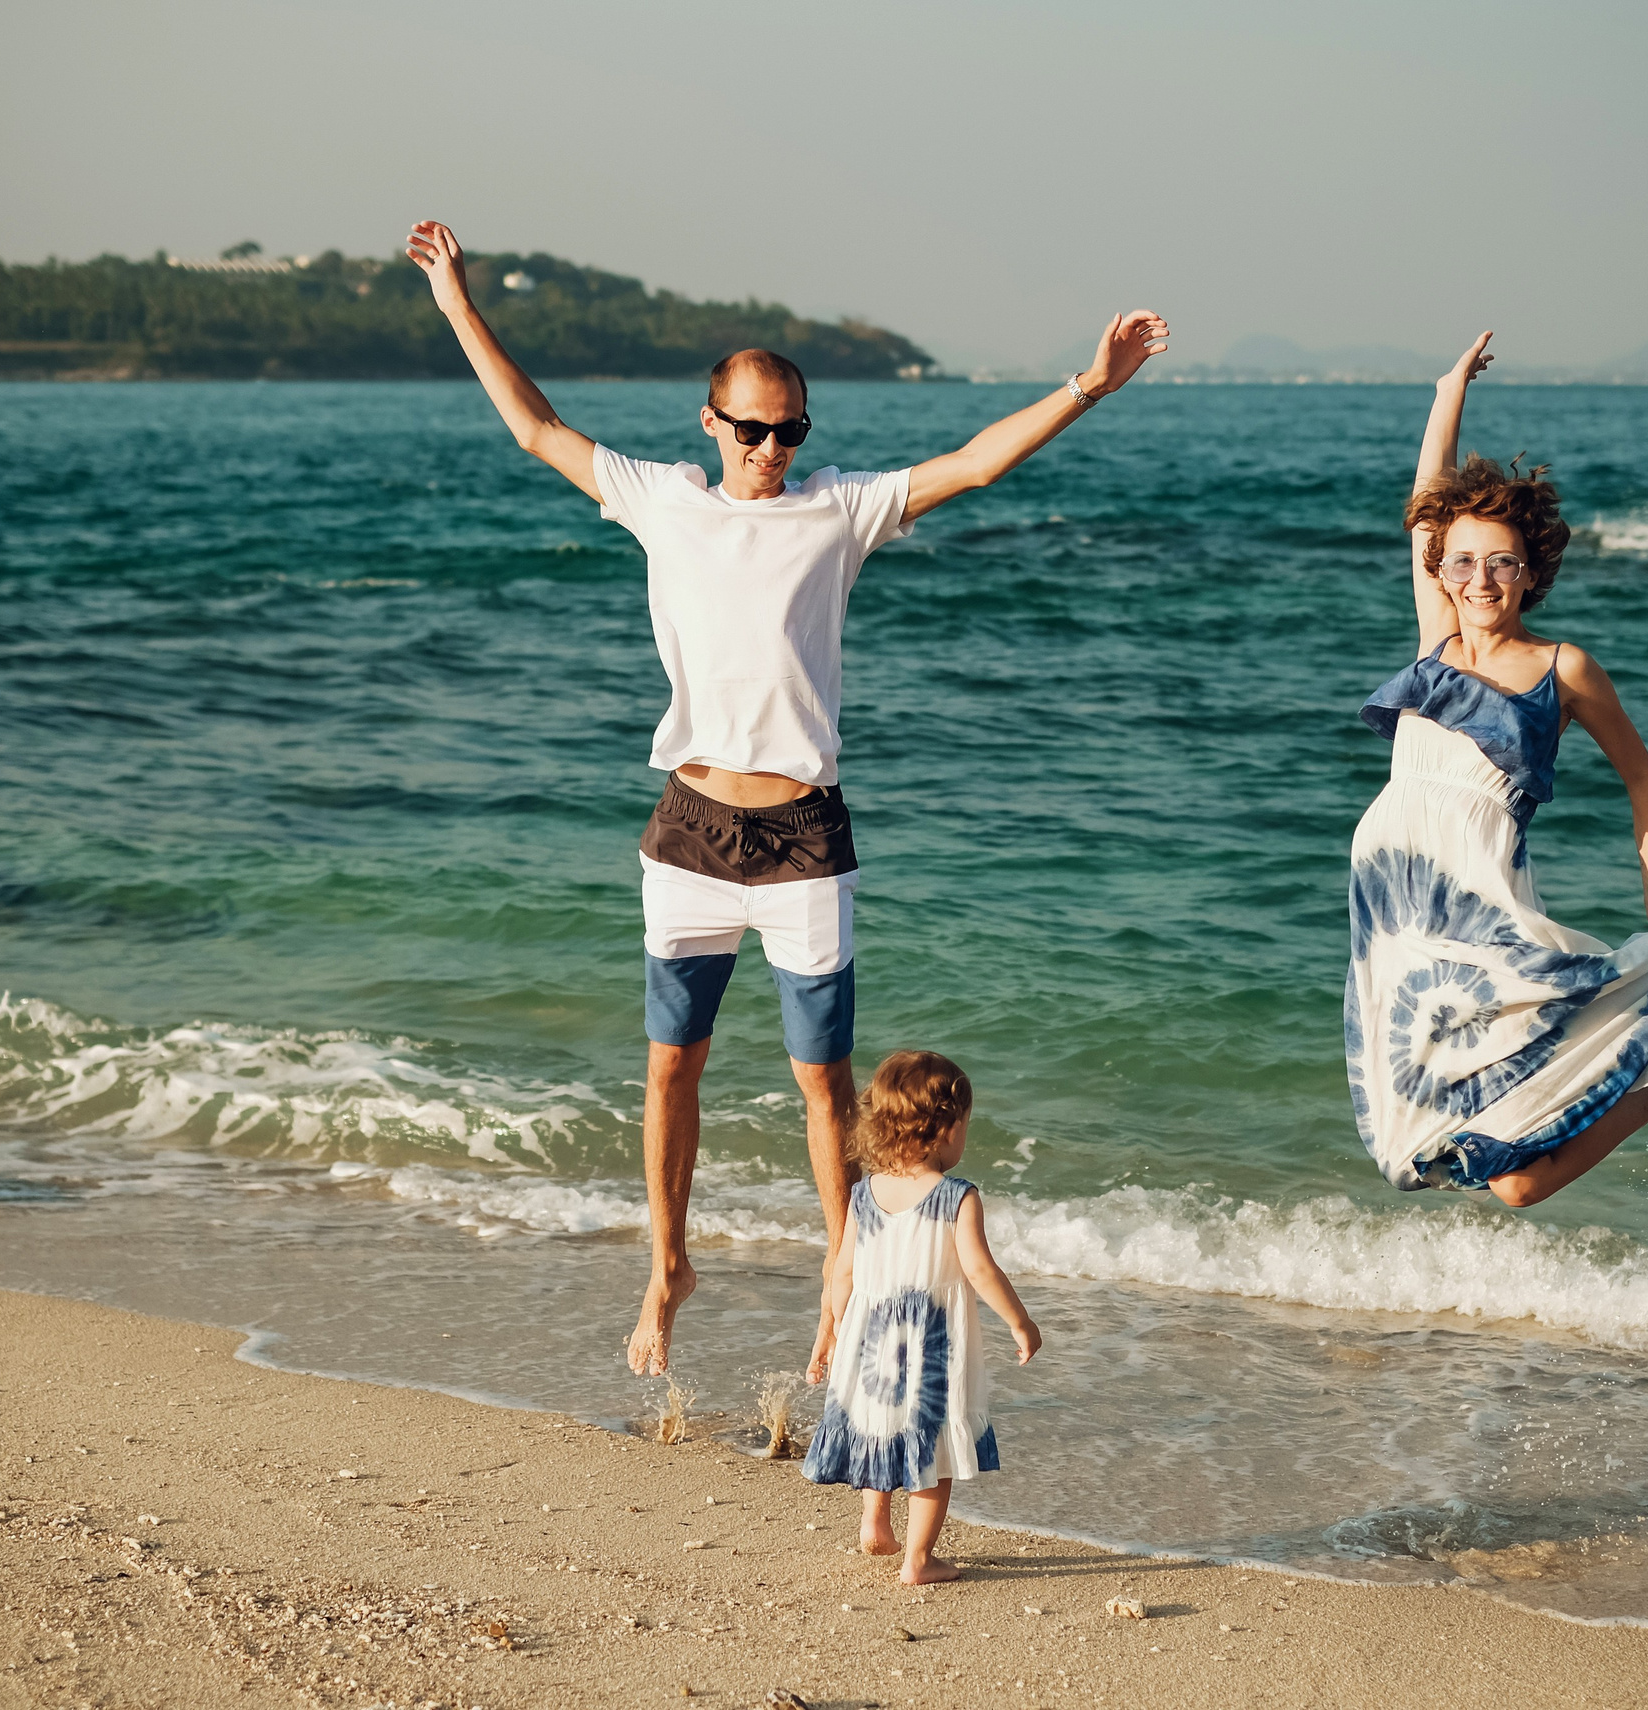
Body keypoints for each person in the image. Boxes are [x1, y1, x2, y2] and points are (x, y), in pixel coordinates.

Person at [402, 220, 1166, 1371]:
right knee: (672, 1064)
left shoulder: (840, 507)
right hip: (691, 830)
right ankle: (666, 1265)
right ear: (710, 424)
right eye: (751, 428)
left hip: (805, 834)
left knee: (825, 1086)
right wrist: (457, 299)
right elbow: (535, 428)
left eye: (789, 429)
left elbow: (974, 462)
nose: (770, 446)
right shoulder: (661, 499)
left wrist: (1087, 385)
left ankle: (839, 1272)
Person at [1345, 332, 1648, 1206]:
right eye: (1463, 562)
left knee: (1516, 1189)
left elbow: (1642, 778)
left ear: (1529, 574)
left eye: (1501, 563)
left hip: (1483, 898)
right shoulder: (1435, 641)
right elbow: (1423, 503)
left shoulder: (1565, 669)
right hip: (1396, 896)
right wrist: (1447, 390)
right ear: (1442, 573)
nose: (1480, 578)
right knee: (1424, 1151)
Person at [802, 1050, 1038, 1585]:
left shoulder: (863, 1194)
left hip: (873, 1344)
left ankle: (875, 1525)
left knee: (878, 1432)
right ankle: (919, 1559)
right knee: (932, 1451)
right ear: (945, 1128)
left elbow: (842, 1273)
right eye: (964, 1127)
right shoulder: (958, 1197)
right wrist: (1019, 1321)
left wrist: (840, 1331)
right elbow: (980, 1270)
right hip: (932, 1347)